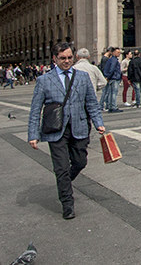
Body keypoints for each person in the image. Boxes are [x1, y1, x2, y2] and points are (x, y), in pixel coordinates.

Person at [27, 42, 106, 220]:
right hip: (56, 130)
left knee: (80, 162)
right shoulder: (44, 80)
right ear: (54, 59)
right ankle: (67, 203)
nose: (67, 61)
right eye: (63, 58)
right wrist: (33, 134)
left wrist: (98, 122)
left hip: (79, 127)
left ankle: (64, 183)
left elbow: (92, 103)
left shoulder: (83, 77)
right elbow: (35, 109)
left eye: (70, 57)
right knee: (61, 168)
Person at [101, 47, 123, 113]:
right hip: (114, 78)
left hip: (112, 77)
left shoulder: (110, 59)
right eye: (117, 52)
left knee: (111, 93)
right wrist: (109, 76)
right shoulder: (114, 60)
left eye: (119, 52)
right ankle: (113, 106)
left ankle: (110, 106)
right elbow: (112, 69)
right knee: (114, 93)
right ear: (113, 53)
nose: (119, 54)